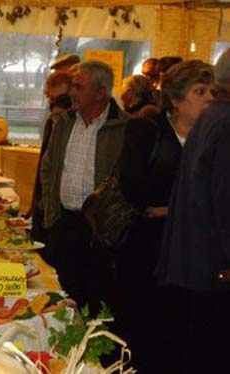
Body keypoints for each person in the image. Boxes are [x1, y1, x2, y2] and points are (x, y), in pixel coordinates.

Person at [117, 60, 214, 373]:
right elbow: (133, 188)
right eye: (199, 91)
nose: (209, 98)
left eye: (212, 91)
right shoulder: (146, 130)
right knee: (146, 331)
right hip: (148, 250)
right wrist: (188, 209)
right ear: (175, 99)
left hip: (196, 255)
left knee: (186, 335)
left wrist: (170, 209)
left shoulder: (216, 137)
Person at [155, 50, 230, 373]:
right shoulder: (224, 121)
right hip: (213, 265)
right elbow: (225, 202)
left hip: (197, 261)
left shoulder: (213, 118)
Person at [40, 61, 130, 313]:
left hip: (101, 233)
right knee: (61, 298)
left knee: (97, 300)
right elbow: (47, 167)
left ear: (100, 93)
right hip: (64, 224)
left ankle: (93, 348)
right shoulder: (64, 122)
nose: (71, 92)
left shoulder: (124, 128)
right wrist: (50, 207)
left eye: (78, 87)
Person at [30, 70, 73, 249]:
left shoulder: (73, 125)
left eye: (60, 98)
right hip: (46, 199)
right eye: (51, 98)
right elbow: (43, 165)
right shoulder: (51, 122)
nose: (54, 103)